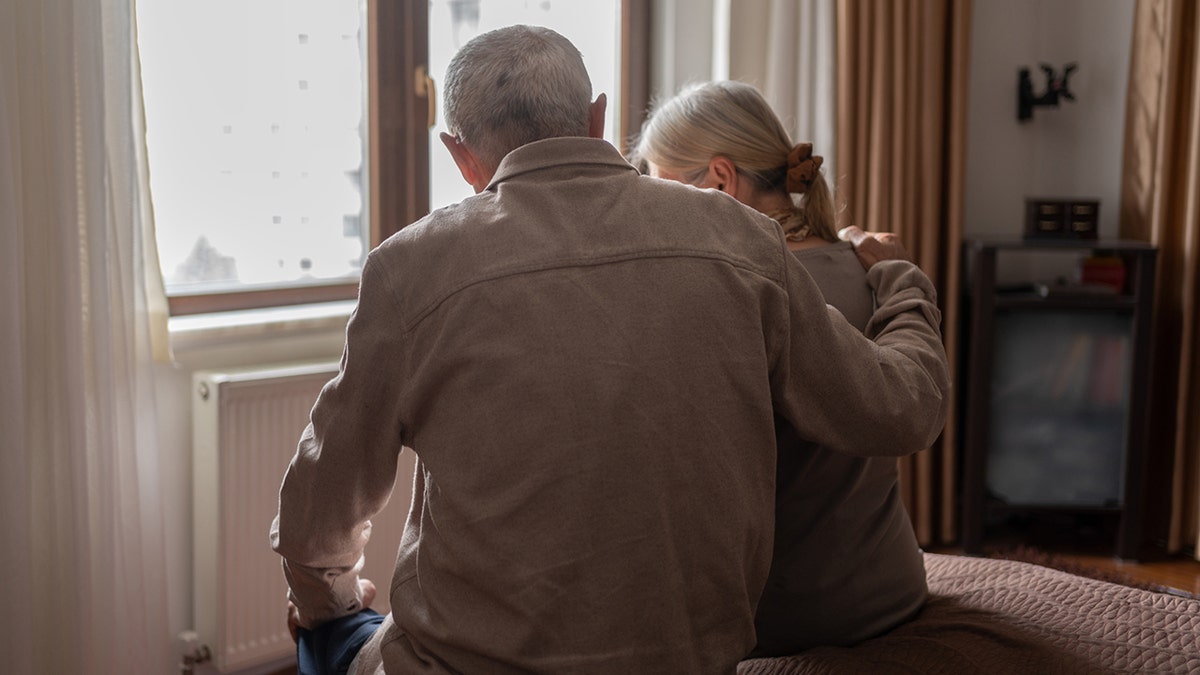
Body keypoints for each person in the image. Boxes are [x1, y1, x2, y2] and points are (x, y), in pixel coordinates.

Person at [270, 25, 950, 675]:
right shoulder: (742, 238)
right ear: (598, 117)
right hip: (689, 658)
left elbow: (315, 520)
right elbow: (902, 410)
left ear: (459, 154)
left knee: (328, 623)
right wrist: (898, 276)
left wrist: (331, 602)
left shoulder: (408, 269)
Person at [632, 80, 930, 656]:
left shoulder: (731, 294)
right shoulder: (869, 264)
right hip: (891, 588)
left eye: (663, 189)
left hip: (783, 617)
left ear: (719, 179)